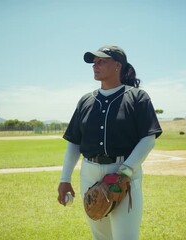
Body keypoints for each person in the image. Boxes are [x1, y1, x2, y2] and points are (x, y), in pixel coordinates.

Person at [57, 45, 162, 240]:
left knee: (126, 237)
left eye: (102, 61)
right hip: (89, 173)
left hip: (123, 174)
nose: (95, 66)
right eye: (94, 63)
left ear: (117, 65)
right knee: (101, 238)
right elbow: (74, 142)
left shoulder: (137, 97)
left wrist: (124, 172)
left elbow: (148, 139)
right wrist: (65, 179)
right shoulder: (85, 101)